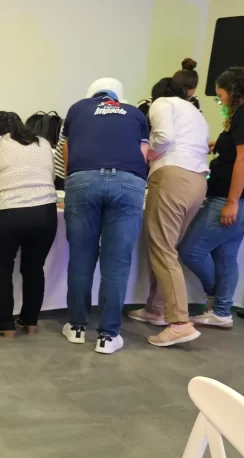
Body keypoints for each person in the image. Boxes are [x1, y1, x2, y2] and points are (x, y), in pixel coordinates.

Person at [178, 68, 244, 329]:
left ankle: (216, 296)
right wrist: (214, 145)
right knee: (225, 254)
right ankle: (221, 311)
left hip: (239, 199)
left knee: (191, 250)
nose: (222, 102)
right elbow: (239, 150)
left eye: (221, 97)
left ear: (233, 90)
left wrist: (232, 201)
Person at [61, 78, 149, 354]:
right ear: (118, 97)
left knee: (81, 258)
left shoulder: (77, 109)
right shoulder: (135, 113)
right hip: (128, 183)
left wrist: (75, 181)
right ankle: (108, 336)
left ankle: (76, 327)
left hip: (83, 180)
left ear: (92, 94)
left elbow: (67, 154)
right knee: (117, 263)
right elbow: (143, 155)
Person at [127, 78, 210, 346]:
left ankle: (179, 322)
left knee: (162, 249)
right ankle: (156, 308)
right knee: (169, 247)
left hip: (172, 176)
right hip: (197, 180)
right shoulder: (194, 112)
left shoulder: (162, 103)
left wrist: (149, 153)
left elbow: (164, 137)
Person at [0, 112, 58, 337]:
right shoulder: (42, 143)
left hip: (7, 213)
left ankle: (4, 325)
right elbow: (50, 178)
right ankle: (30, 321)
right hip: (44, 213)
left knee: (2, 269)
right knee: (34, 269)